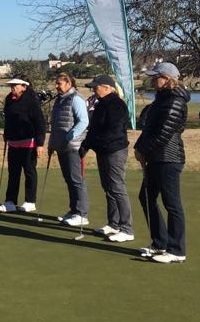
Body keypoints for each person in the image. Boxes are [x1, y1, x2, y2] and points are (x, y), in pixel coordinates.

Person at [134, 62, 189, 263]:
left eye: (155, 76)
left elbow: (163, 133)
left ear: (166, 78)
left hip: (169, 158)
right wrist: (139, 148)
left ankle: (177, 250)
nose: (152, 80)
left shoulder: (175, 100)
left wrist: (143, 150)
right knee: (146, 197)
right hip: (156, 157)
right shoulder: (161, 99)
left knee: (172, 204)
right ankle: (160, 243)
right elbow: (149, 129)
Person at [79, 75, 133, 242]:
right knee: (108, 188)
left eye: (96, 87)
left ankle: (127, 229)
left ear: (107, 88)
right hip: (103, 150)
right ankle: (113, 224)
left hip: (114, 150)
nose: (94, 90)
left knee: (117, 187)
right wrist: (85, 146)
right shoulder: (101, 104)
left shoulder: (117, 105)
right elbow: (94, 129)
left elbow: (113, 131)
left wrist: (96, 143)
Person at [0, 78, 46, 213]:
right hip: (13, 142)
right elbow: (8, 119)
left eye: (15, 85)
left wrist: (40, 143)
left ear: (24, 86)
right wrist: (6, 134)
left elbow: (39, 122)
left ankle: (30, 201)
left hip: (29, 142)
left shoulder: (32, 99)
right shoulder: (9, 99)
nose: (12, 87)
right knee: (13, 173)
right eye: (11, 85)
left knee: (29, 172)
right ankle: (10, 202)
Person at [49, 72, 90, 226]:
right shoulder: (60, 100)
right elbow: (55, 125)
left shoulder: (76, 99)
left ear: (68, 83)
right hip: (61, 146)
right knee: (69, 180)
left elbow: (83, 121)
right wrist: (52, 143)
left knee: (76, 180)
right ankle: (74, 211)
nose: (56, 86)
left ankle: (81, 213)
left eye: (59, 83)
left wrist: (70, 136)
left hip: (73, 146)